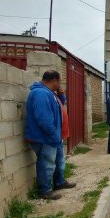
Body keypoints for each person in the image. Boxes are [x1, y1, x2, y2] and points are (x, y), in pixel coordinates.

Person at [25, 70, 76, 200]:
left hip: (54, 136)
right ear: (54, 81)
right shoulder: (40, 94)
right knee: (46, 163)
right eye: (59, 82)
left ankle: (59, 182)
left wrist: (61, 95)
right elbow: (43, 119)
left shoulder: (49, 93)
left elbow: (59, 106)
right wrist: (53, 134)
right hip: (45, 137)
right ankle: (45, 190)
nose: (59, 85)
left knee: (59, 161)